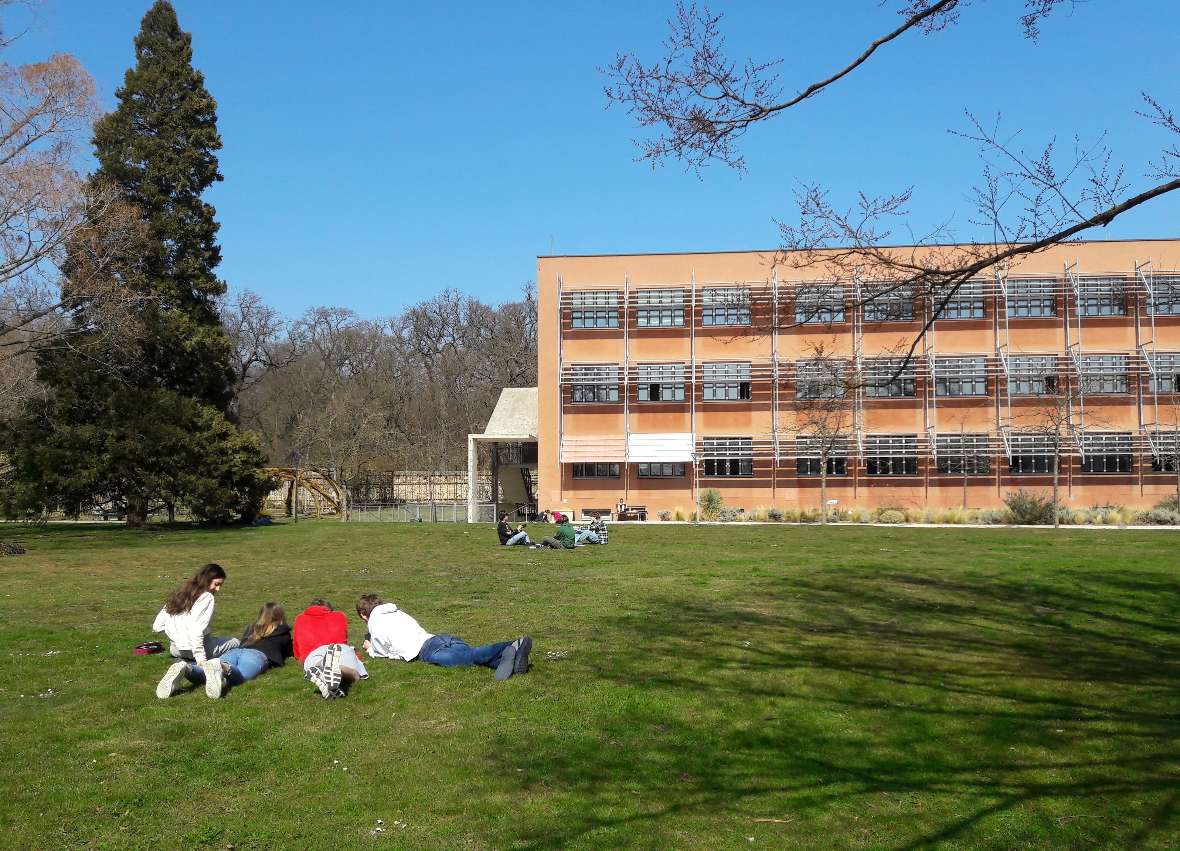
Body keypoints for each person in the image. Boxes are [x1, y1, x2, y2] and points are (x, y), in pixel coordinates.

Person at [356, 594, 531, 681]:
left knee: (469, 657)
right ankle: (510, 659)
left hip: (426, 650)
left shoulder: (375, 623)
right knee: (471, 656)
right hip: (440, 638)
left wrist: (369, 648)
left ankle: (514, 644)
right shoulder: (395, 611)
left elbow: (382, 652)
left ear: (364, 615)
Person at [157, 602, 293, 699]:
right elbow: (288, 651)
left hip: (236, 651)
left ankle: (186, 668)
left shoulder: (252, 627)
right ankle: (222, 667)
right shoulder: (283, 631)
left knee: (207, 674)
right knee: (240, 676)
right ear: (280, 616)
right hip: (257, 656)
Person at [153, 563, 240, 698]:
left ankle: (183, 666)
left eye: (220, 585)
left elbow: (157, 626)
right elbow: (196, 629)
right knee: (235, 642)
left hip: (176, 649)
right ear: (206, 580)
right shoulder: (207, 597)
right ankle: (215, 666)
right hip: (198, 648)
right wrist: (201, 658)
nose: (217, 589)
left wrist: (176, 634)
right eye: (216, 584)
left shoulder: (180, 594)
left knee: (208, 643)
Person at [293, 598, 368, 699]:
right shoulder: (339, 616)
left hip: (312, 654)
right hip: (337, 648)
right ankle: (342, 670)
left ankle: (322, 667)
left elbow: (297, 653)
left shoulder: (300, 619)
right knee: (354, 674)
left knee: (314, 664)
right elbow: (343, 639)